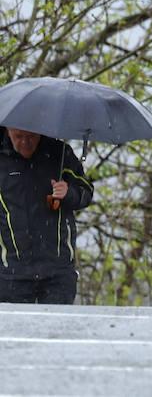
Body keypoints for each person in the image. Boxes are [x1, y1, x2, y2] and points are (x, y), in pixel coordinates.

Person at [0, 126, 94, 304]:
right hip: (10, 273)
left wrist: (69, 193)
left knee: (58, 330)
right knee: (13, 331)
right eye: (19, 136)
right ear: (7, 130)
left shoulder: (60, 153)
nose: (25, 143)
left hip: (57, 272)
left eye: (31, 137)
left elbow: (86, 192)